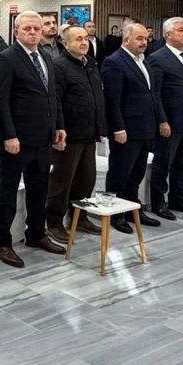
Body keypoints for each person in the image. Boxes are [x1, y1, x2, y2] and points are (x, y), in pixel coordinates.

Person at [0, 11, 67, 268]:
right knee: (8, 192)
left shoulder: (45, 57)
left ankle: (36, 233)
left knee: (39, 190)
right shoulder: (6, 59)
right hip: (16, 141)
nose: (33, 32)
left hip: (43, 138)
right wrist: (9, 135)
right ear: (16, 33)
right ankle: (2, 242)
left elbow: (52, 95)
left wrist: (59, 126)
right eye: (27, 29)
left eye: (36, 28)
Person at [101, 23, 162, 234]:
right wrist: (118, 128)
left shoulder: (143, 60)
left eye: (146, 38)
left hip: (144, 127)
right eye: (139, 38)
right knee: (120, 172)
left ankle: (131, 208)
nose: (144, 42)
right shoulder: (114, 62)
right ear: (126, 39)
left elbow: (151, 94)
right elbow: (112, 100)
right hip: (126, 128)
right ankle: (115, 214)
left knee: (137, 172)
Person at [47, 26, 105, 243]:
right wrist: (58, 129)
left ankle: (80, 217)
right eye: (78, 39)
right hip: (69, 134)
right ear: (65, 44)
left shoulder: (90, 64)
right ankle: (54, 222)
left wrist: (101, 126)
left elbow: (96, 96)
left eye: (86, 39)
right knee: (62, 180)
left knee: (86, 179)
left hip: (89, 132)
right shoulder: (59, 66)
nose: (84, 43)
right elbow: (55, 101)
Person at [147, 17, 183, 219]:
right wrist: (162, 120)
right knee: (164, 163)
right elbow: (155, 94)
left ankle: (177, 199)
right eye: (180, 30)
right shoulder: (157, 58)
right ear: (168, 34)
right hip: (170, 122)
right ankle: (158, 202)